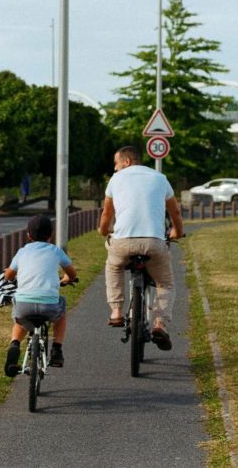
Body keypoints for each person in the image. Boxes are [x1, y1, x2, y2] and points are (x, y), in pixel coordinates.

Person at [98, 145, 184, 350]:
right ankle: (160, 323)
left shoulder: (115, 180)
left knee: (114, 266)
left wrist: (103, 231)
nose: (115, 169)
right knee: (165, 283)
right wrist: (177, 233)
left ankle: (117, 311)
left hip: (123, 243)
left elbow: (107, 214)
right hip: (153, 242)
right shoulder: (160, 178)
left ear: (126, 162)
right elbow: (176, 213)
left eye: (116, 164)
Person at [3, 214, 78, 377]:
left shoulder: (22, 252)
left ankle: (14, 345)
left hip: (24, 304)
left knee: (21, 320)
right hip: (49, 305)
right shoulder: (56, 251)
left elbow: (8, 276)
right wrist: (67, 279)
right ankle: (57, 349)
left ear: (28, 235)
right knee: (62, 312)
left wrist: (12, 275)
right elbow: (72, 273)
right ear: (50, 235)